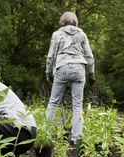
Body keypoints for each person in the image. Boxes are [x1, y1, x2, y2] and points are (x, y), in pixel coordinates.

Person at [44, 12, 95, 149]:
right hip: (79, 68)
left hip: (62, 67)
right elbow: (89, 56)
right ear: (75, 22)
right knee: (77, 105)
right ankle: (76, 138)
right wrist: (91, 73)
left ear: (62, 21)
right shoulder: (82, 35)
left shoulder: (57, 34)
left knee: (53, 102)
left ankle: (46, 135)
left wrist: (48, 71)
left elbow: (51, 56)